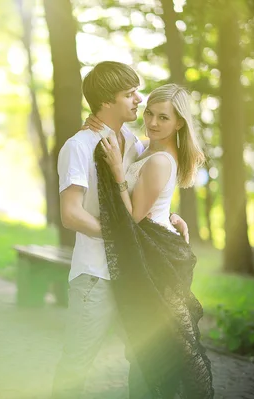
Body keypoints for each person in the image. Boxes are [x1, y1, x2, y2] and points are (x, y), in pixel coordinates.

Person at [52, 61, 189, 399]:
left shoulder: (130, 141)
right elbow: (70, 215)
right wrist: (121, 236)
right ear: (106, 102)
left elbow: (147, 187)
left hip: (134, 273)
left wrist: (168, 218)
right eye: (129, 94)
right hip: (96, 275)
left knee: (144, 361)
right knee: (77, 361)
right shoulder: (79, 147)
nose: (138, 100)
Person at [96, 84, 214, 398]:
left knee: (167, 347)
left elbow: (133, 216)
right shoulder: (151, 149)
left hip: (159, 260)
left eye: (163, 117)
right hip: (154, 250)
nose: (152, 121)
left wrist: (118, 172)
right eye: (149, 112)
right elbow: (152, 203)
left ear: (179, 123)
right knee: (153, 346)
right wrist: (171, 215)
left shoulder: (160, 159)